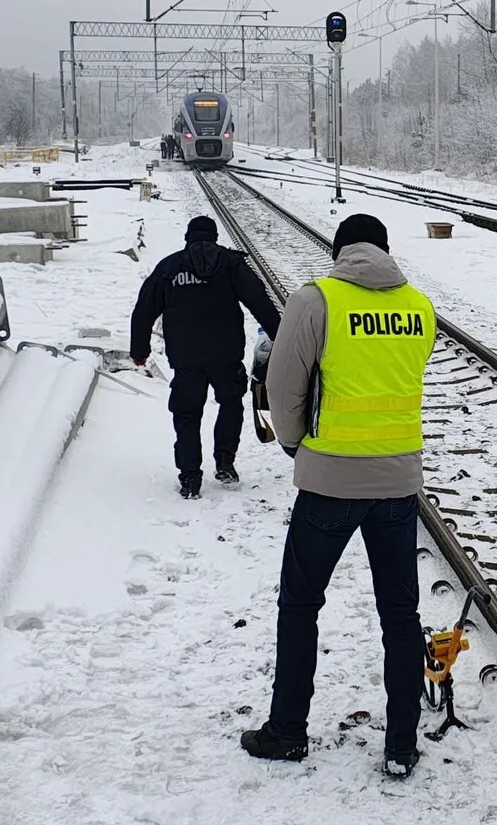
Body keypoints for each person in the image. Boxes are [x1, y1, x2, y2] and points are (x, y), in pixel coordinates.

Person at [242, 214, 435, 779]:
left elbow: (283, 387)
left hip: (329, 483)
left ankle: (287, 731)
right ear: (385, 250)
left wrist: (296, 445)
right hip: (398, 484)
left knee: (300, 605)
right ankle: (401, 744)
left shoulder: (315, 300)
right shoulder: (418, 306)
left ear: (339, 251)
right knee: (400, 614)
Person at [130, 215, 281, 498]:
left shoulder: (170, 267)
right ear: (214, 237)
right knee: (231, 405)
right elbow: (260, 301)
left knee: (187, 414)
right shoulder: (230, 264)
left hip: (185, 358)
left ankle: (189, 476)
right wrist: (281, 338)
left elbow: (144, 310)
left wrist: (140, 351)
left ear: (188, 238)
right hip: (226, 355)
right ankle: (225, 462)